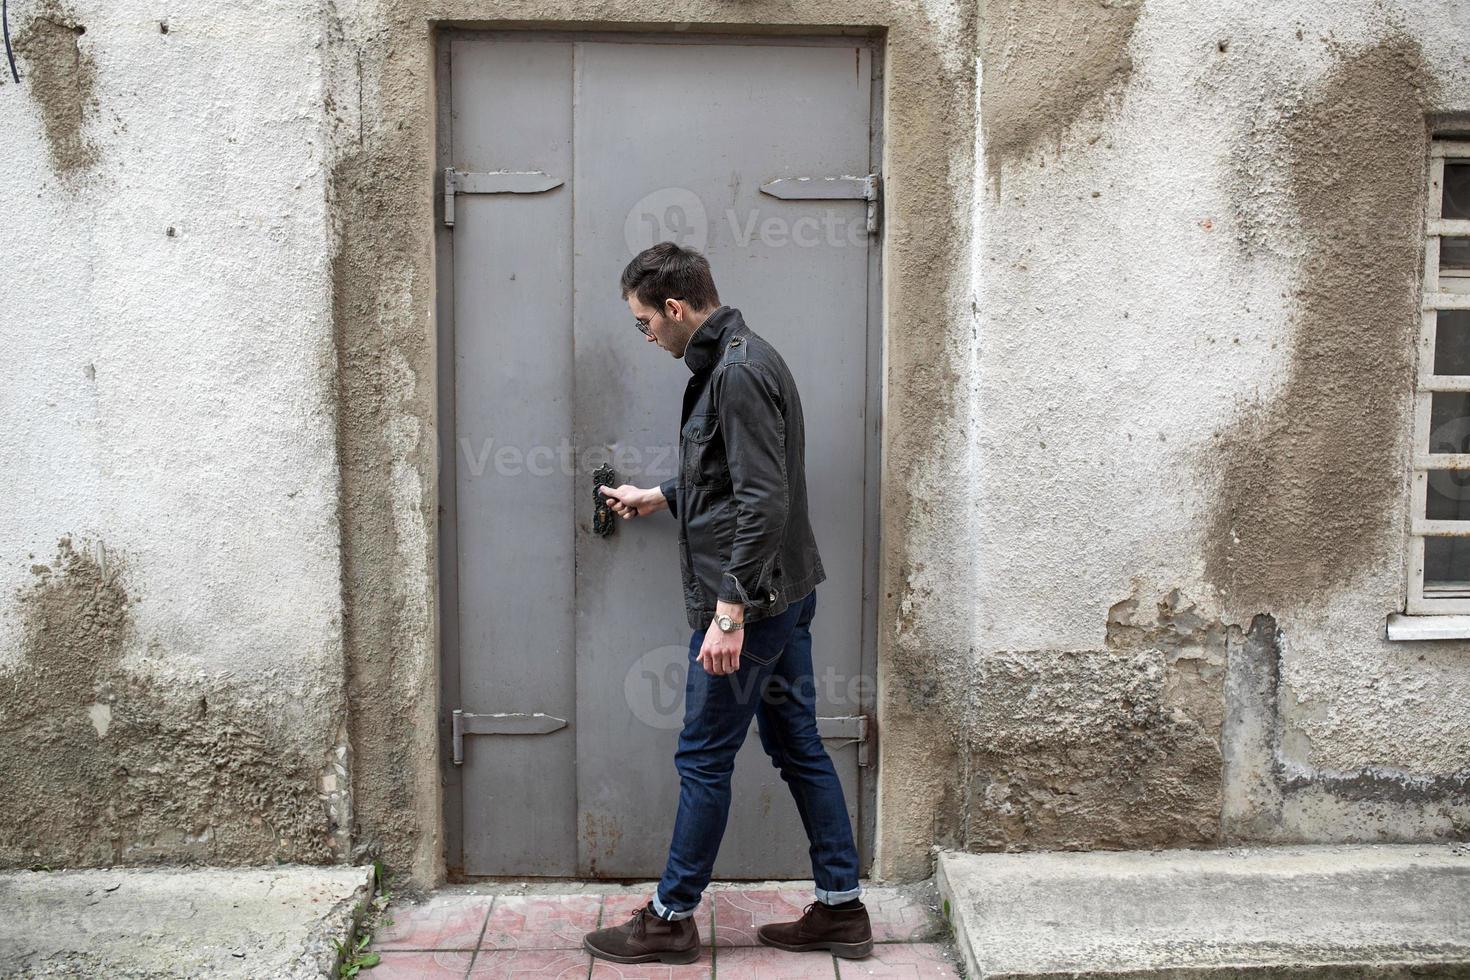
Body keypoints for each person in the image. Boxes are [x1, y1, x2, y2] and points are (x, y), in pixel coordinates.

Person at [582, 242, 872, 965]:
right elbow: (733, 476)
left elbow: (763, 503)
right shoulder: (740, 359)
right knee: (798, 746)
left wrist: (729, 611)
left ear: (676, 308)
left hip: (754, 606)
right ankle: (842, 908)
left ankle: (671, 917)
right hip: (785, 596)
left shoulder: (736, 374)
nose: (646, 336)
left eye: (645, 322)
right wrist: (661, 496)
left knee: (704, 757)